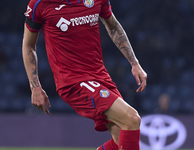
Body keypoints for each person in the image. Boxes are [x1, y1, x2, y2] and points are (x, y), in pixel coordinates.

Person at [22, 0, 147, 149]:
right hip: (73, 82)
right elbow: (29, 45)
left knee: (121, 138)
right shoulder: (40, 4)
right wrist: (35, 87)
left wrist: (134, 62)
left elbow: (113, 27)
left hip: (100, 76)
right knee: (131, 119)